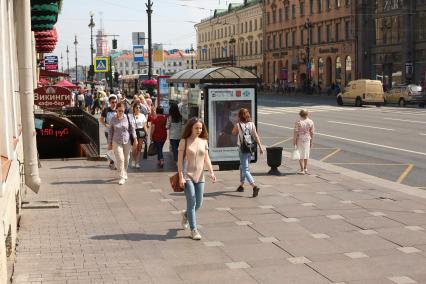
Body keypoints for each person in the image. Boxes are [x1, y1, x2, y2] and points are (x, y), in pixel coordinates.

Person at [178, 118, 216, 240]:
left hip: (200, 176)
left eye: (200, 128)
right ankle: (193, 230)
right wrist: (181, 177)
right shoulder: (184, 141)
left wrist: (211, 172)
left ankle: (185, 214)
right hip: (187, 176)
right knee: (192, 202)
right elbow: (179, 162)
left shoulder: (204, 141)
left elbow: (207, 158)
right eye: (196, 128)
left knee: (198, 203)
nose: (199, 130)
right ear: (191, 128)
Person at [231, 108, 263, 197]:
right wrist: (260, 147)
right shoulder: (252, 124)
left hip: (242, 148)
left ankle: (254, 186)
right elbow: (256, 136)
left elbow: (233, 133)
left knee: (245, 169)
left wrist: (236, 125)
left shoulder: (238, 125)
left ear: (239, 116)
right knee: (243, 166)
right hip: (250, 148)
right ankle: (241, 185)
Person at [107, 102, 137, 185]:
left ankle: (124, 172)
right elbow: (110, 132)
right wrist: (109, 143)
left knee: (126, 159)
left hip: (126, 140)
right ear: (116, 110)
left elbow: (132, 129)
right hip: (116, 141)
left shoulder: (128, 117)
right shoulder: (113, 119)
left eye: (122, 111)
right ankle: (122, 177)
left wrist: (135, 139)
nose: (121, 112)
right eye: (119, 111)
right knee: (120, 159)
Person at [293, 109, 315, 175]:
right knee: (306, 153)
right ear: (307, 114)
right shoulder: (311, 122)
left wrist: (294, 141)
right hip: (307, 139)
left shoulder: (298, 122)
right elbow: (312, 132)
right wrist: (311, 141)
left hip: (300, 139)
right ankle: (305, 168)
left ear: (300, 114)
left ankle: (302, 170)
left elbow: (296, 132)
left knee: (300, 154)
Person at [100, 95, 118, 170]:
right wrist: (106, 125)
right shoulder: (106, 110)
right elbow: (101, 119)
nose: (114, 103)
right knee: (110, 146)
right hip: (108, 131)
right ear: (110, 102)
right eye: (112, 102)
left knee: (116, 147)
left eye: (115, 102)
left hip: (117, 132)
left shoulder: (118, 110)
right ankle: (111, 161)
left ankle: (115, 161)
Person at [128, 103, 148, 168]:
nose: (138, 109)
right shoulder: (130, 116)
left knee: (139, 148)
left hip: (141, 131)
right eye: (137, 107)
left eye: (139, 108)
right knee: (134, 148)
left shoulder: (142, 115)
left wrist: (146, 133)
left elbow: (144, 125)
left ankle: (137, 162)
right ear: (134, 108)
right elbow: (130, 126)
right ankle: (133, 160)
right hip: (134, 132)